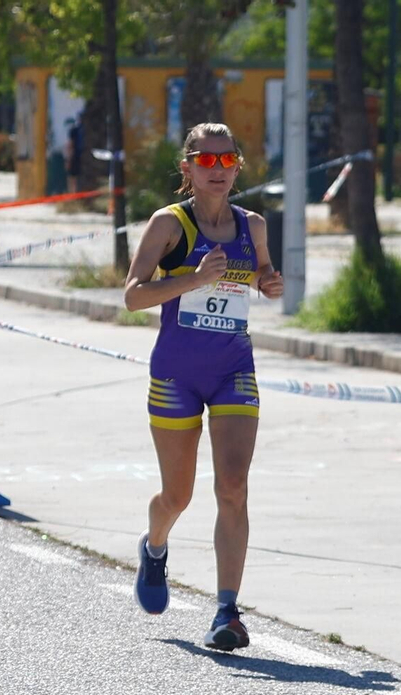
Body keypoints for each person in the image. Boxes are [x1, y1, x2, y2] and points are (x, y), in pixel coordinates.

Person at [122, 122, 283, 651]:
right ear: (186, 168)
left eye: (227, 159)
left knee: (233, 486)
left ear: (239, 165)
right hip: (175, 375)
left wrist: (268, 281)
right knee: (178, 495)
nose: (218, 170)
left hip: (234, 369)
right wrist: (192, 279)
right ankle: (155, 546)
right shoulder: (169, 225)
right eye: (205, 161)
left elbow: (261, 273)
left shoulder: (252, 225)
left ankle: (227, 612)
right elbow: (132, 296)